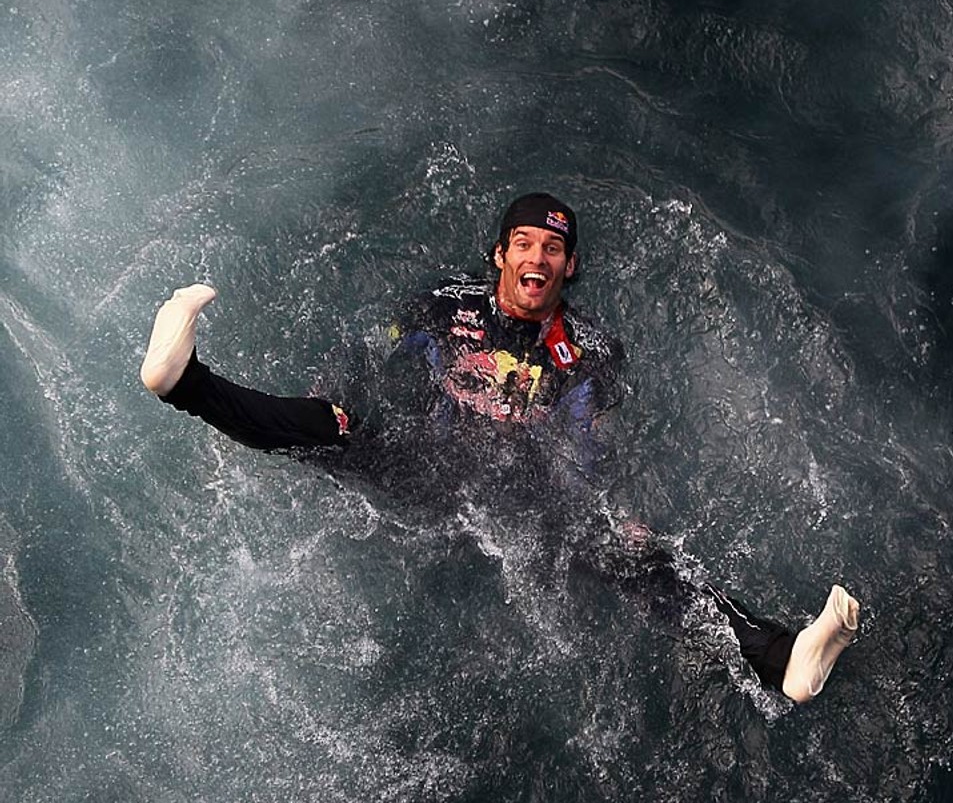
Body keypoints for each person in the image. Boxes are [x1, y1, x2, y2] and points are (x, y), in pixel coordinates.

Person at [139, 192, 859, 704]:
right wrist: (338, 394)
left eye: (553, 248)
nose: (537, 257)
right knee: (329, 427)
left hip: (523, 498)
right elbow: (367, 352)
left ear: (569, 267)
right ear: (500, 255)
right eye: (524, 244)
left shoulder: (591, 353)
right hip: (425, 467)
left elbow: (590, 439)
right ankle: (183, 382)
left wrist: (613, 509)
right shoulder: (441, 303)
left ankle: (783, 659)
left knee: (631, 555)